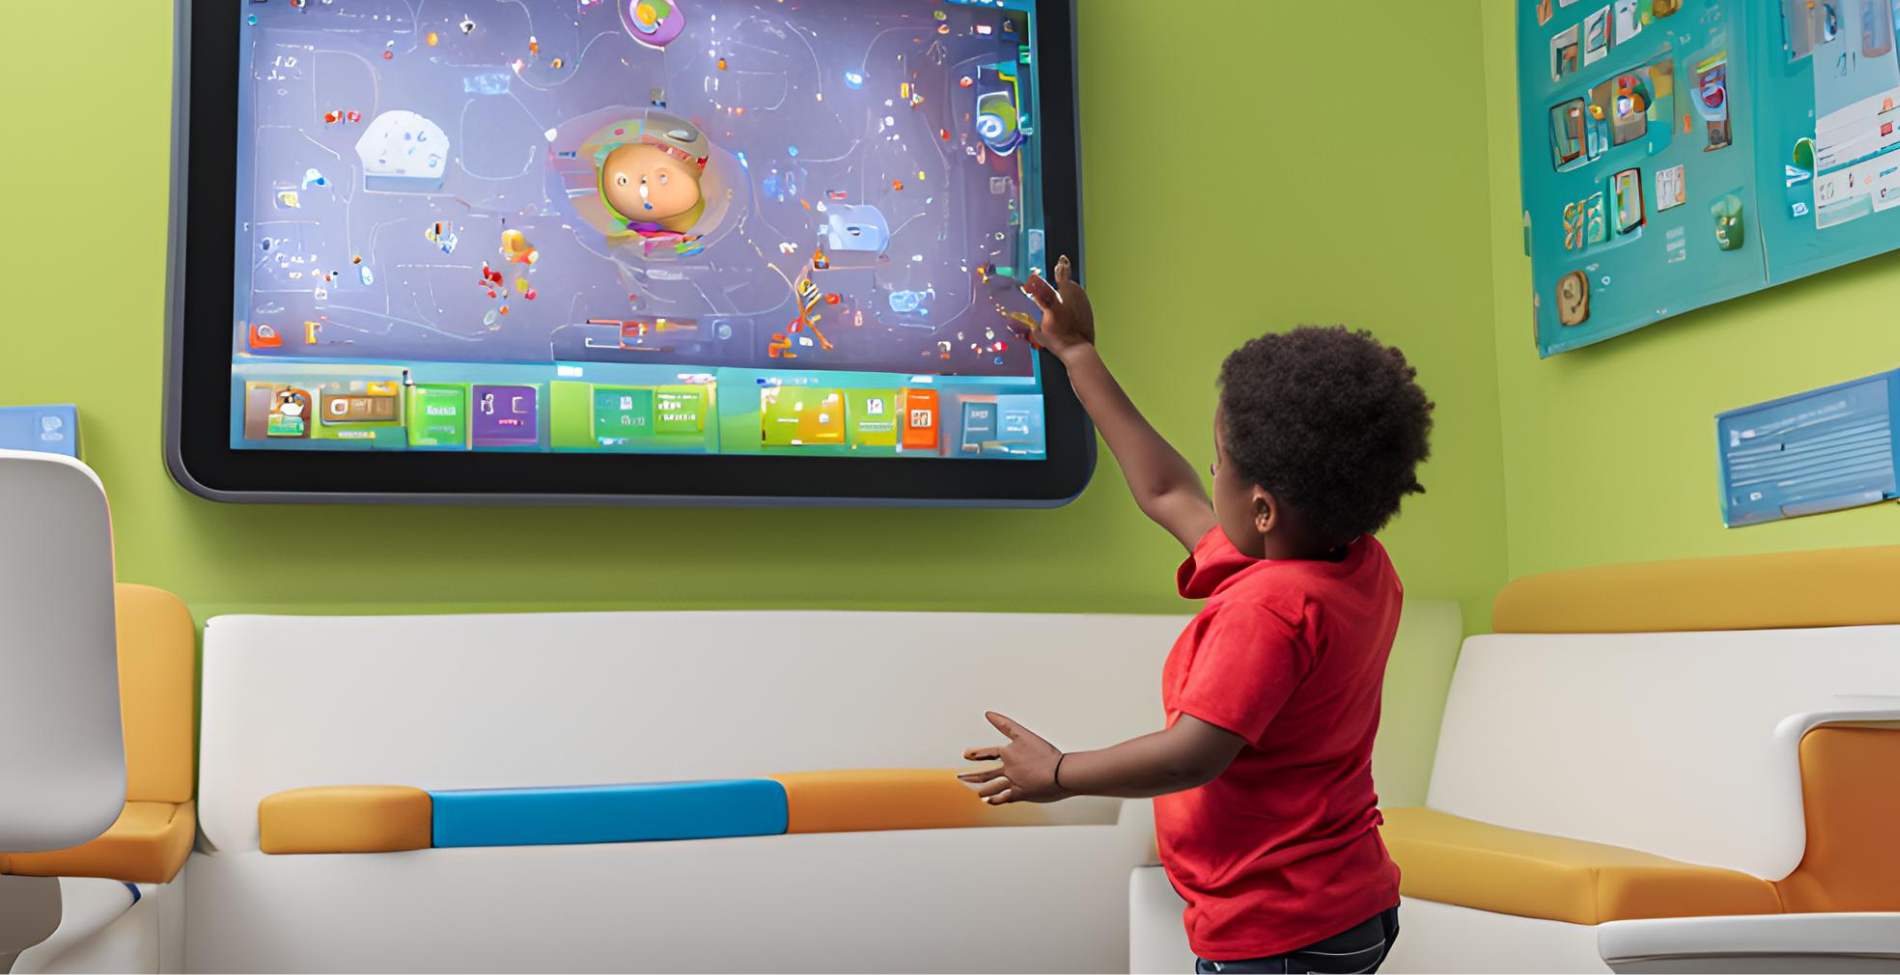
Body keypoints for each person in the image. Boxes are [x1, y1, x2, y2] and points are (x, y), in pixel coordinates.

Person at [961, 256, 1434, 975]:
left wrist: (1059, 771)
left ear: (1264, 507)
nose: (1207, 474)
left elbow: (1193, 753)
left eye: (1220, 462)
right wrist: (1080, 355)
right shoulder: (1353, 565)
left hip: (1279, 932)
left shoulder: (1267, 610)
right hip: (1351, 904)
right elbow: (1163, 488)